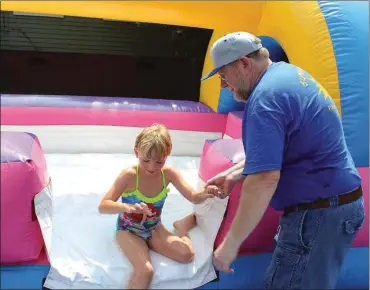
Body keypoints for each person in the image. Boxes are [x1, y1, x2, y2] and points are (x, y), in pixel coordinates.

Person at [201, 32, 365, 289]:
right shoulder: (288, 75)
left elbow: (265, 179)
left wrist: (230, 244)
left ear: (244, 64)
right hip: (337, 206)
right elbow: (289, 147)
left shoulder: (265, 99)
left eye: (223, 75)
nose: (223, 85)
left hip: (318, 215)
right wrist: (236, 172)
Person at [98, 123, 219, 289]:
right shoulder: (129, 175)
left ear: (167, 155)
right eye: (145, 160)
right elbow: (103, 206)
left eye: (159, 162)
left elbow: (193, 197)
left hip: (154, 228)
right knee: (146, 271)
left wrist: (206, 192)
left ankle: (182, 227)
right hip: (129, 230)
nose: (151, 167)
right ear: (136, 152)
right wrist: (127, 208)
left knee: (187, 255)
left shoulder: (169, 174)